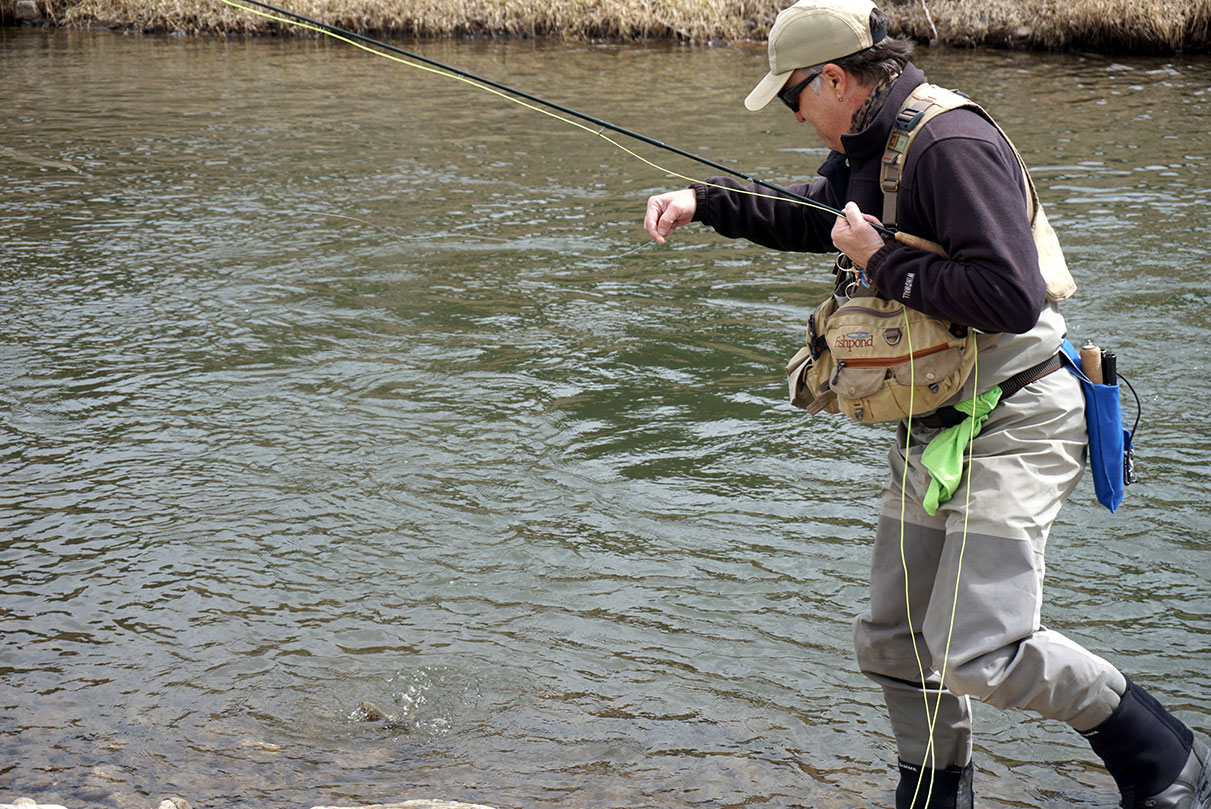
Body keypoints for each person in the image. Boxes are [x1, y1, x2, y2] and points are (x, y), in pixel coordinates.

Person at [641, 1, 1211, 807]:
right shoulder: (873, 145)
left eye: (790, 97)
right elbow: (815, 211)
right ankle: (935, 791)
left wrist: (880, 264)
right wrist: (706, 202)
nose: (795, 116)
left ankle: (1166, 757)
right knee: (892, 641)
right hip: (933, 428)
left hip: (1018, 416)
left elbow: (1008, 295)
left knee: (982, 648)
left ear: (834, 79)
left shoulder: (949, 143)